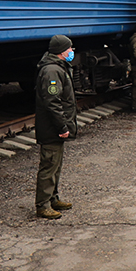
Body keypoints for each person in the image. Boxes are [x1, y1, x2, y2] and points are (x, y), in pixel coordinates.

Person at [34, 35, 78, 219]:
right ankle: (43, 205)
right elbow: (52, 102)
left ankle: (53, 198)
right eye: (70, 48)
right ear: (62, 51)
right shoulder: (52, 71)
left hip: (54, 128)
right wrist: (62, 127)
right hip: (52, 128)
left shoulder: (58, 67)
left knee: (55, 165)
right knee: (49, 166)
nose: (72, 51)